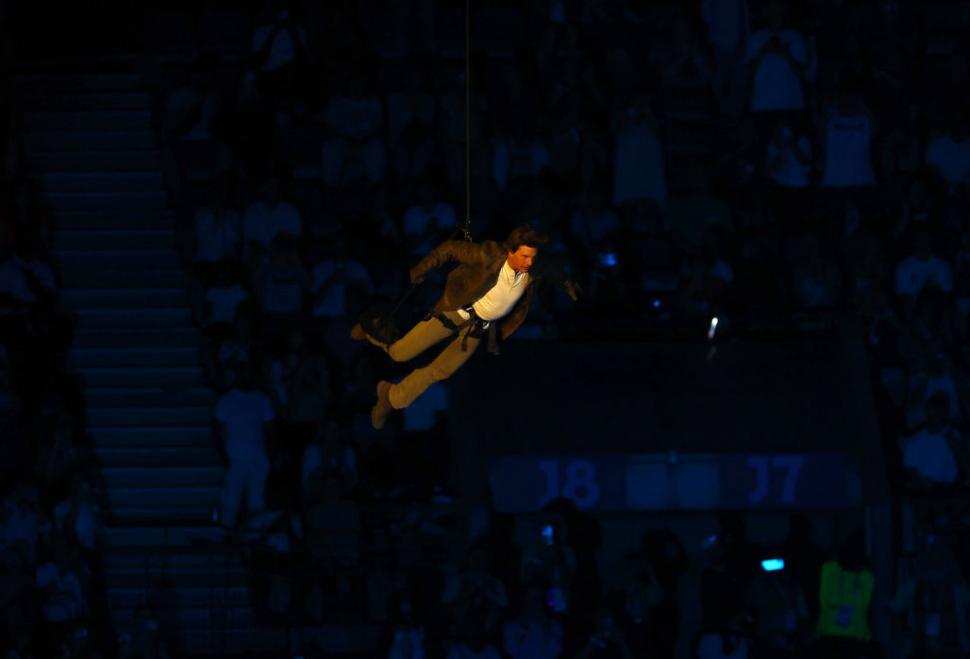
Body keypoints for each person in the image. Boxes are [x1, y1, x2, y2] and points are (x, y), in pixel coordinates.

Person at [351, 225, 578, 430]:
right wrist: (422, 267)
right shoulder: (490, 254)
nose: (529, 263)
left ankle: (391, 397)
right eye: (525, 256)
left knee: (441, 371)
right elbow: (450, 248)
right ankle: (368, 330)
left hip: (478, 328)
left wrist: (567, 284)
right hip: (454, 312)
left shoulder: (534, 267)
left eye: (533, 258)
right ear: (511, 250)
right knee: (400, 354)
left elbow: (553, 268)